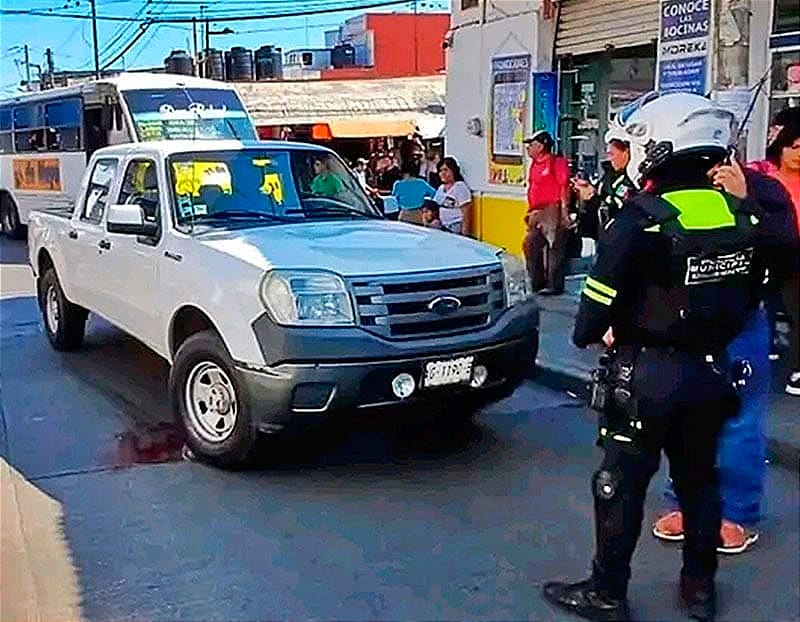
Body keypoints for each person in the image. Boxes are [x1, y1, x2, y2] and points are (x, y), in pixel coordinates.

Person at [542, 92, 763, 622]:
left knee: (619, 484)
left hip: (646, 375)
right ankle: (699, 590)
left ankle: (607, 593)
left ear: (657, 145)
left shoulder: (641, 217)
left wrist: (597, 332)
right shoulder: (742, 214)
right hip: (711, 372)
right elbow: (754, 293)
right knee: (700, 482)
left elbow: (593, 310)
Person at [522, 130, 570, 295]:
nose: (528, 148)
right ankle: (537, 282)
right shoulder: (534, 165)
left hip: (552, 208)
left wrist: (564, 212)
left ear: (541, 146)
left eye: (532, 144)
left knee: (554, 246)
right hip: (536, 210)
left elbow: (564, 187)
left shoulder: (556, 163)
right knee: (530, 244)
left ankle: (553, 285)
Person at [574, 138, 637, 239]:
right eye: (607, 154)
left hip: (622, 235)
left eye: (612, 154)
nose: (609, 159)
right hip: (605, 233)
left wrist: (593, 196)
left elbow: (621, 206)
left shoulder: (632, 179)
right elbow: (603, 196)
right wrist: (590, 191)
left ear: (625, 153)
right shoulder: (609, 175)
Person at [433, 156, 472, 235]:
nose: (443, 173)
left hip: (455, 226)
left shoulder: (460, 187)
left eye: (446, 170)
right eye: (440, 171)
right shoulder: (441, 188)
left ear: (453, 171)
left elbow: (466, 212)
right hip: (442, 225)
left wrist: (465, 232)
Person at [393, 160, 437, 225]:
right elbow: (434, 194)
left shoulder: (398, 184)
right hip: (418, 214)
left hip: (403, 213)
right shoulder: (421, 183)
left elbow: (394, 198)